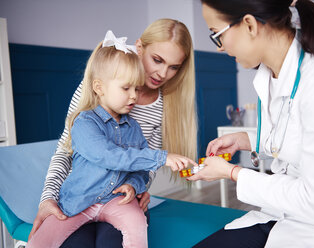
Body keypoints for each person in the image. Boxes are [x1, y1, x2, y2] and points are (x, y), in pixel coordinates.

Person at [188, 0, 314, 247]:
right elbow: (296, 136)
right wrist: (247, 140)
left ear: (250, 25)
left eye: (216, 35)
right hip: (284, 215)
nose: (220, 48)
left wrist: (233, 173)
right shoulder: (272, 73)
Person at [29, 19, 197, 247]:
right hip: (81, 197)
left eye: (174, 67)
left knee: (111, 242)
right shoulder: (92, 103)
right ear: (140, 47)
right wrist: (47, 197)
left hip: (119, 200)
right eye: (157, 60)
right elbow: (66, 150)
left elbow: (145, 169)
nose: (162, 73)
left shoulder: (158, 111)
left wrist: (139, 187)